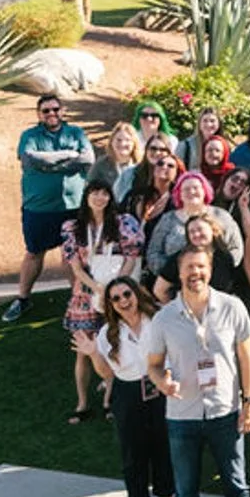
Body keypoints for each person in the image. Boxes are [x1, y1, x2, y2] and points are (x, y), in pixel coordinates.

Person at [144, 244, 250, 497]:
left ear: (210, 270)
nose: (195, 273)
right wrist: (162, 381)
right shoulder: (165, 318)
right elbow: (153, 365)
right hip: (182, 416)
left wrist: (249, 401)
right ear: (179, 273)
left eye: (200, 266)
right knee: (186, 492)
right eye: (188, 268)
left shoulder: (231, 308)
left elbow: (247, 359)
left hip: (224, 411)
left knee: (237, 485)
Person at [89, 276, 173, 497]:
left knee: (164, 444)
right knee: (132, 450)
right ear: (110, 305)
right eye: (116, 298)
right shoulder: (107, 334)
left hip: (159, 386)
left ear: (136, 294)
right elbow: (106, 373)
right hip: (127, 392)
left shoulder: (158, 319)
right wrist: (93, 352)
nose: (124, 301)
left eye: (127, 294)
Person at [61, 176, 143, 425]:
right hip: (86, 295)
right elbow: (75, 267)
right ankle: (82, 402)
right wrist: (96, 288)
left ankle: (109, 399)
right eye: (95, 193)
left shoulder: (123, 223)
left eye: (104, 193)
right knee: (83, 352)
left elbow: (131, 256)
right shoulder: (73, 227)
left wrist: (115, 288)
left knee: (113, 346)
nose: (100, 198)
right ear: (86, 197)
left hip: (116, 294)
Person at [8, 94, 96, 323]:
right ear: (39, 114)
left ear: (62, 110)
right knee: (34, 252)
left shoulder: (76, 133)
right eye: (45, 110)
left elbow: (88, 159)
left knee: (72, 255)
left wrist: (49, 163)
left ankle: (76, 298)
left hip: (73, 206)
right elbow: (30, 159)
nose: (51, 114)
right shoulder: (29, 136)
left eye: (55, 109)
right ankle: (22, 298)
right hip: (38, 208)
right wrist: (69, 156)